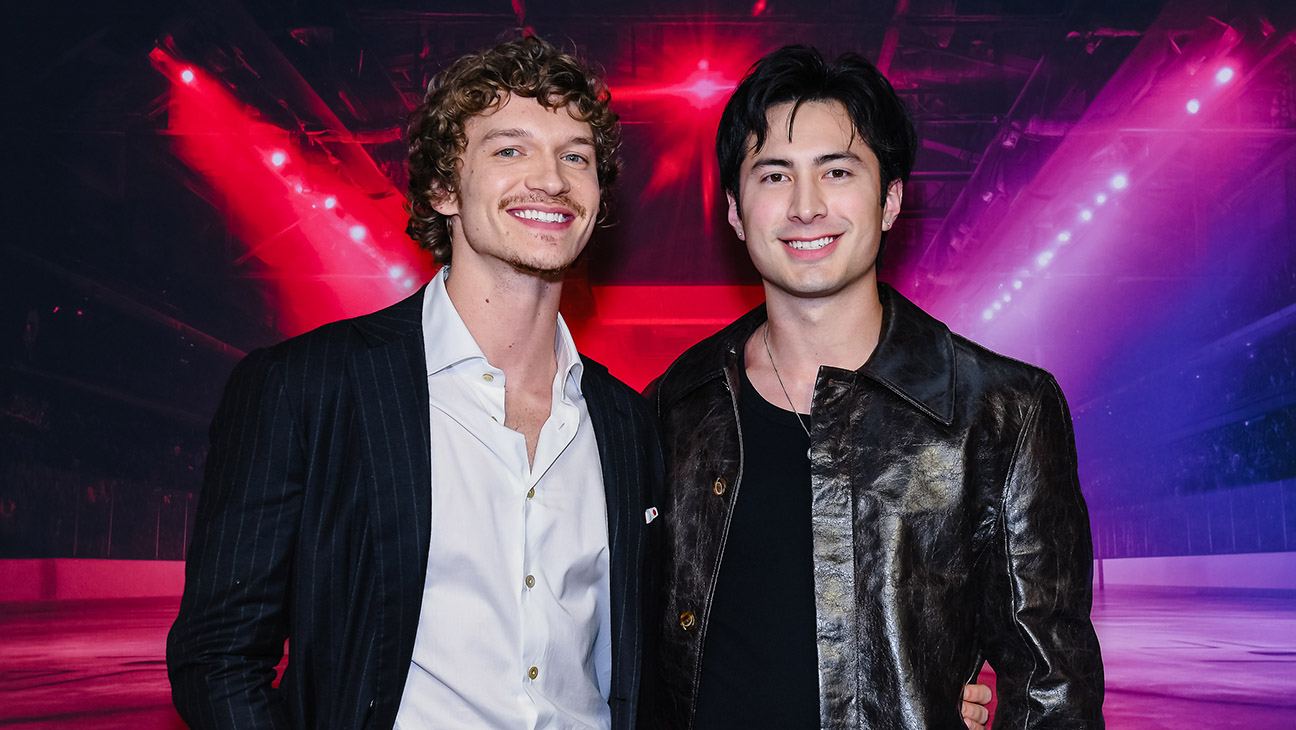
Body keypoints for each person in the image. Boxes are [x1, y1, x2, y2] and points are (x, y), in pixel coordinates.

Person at [167, 35, 663, 730]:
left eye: (575, 156)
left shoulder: (628, 425)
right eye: (509, 149)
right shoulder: (306, 389)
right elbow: (216, 658)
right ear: (441, 188)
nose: (550, 179)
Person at [645, 46, 1104, 729]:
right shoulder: (673, 405)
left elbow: (1052, 692)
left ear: (890, 199)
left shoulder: (1001, 413)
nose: (806, 207)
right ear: (736, 212)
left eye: (837, 171)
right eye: (774, 175)